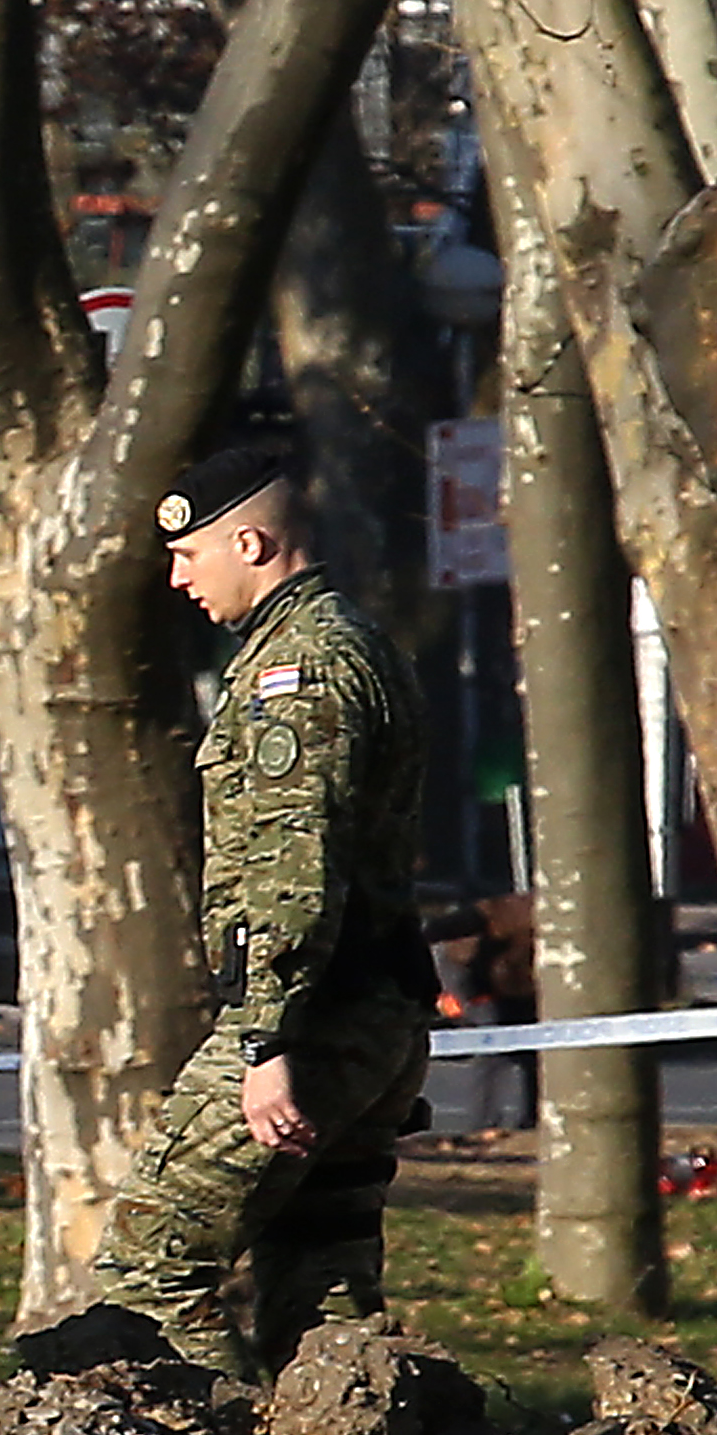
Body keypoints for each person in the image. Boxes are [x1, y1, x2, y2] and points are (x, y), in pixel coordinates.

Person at [78, 431, 438, 1371]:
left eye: (188, 555)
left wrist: (263, 1039)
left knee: (150, 1264)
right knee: (322, 1281)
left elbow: (294, 861)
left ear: (252, 545)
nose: (176, 581)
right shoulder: (344, 640)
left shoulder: (299, 668)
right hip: (369, 1005)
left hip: (310, 1019)